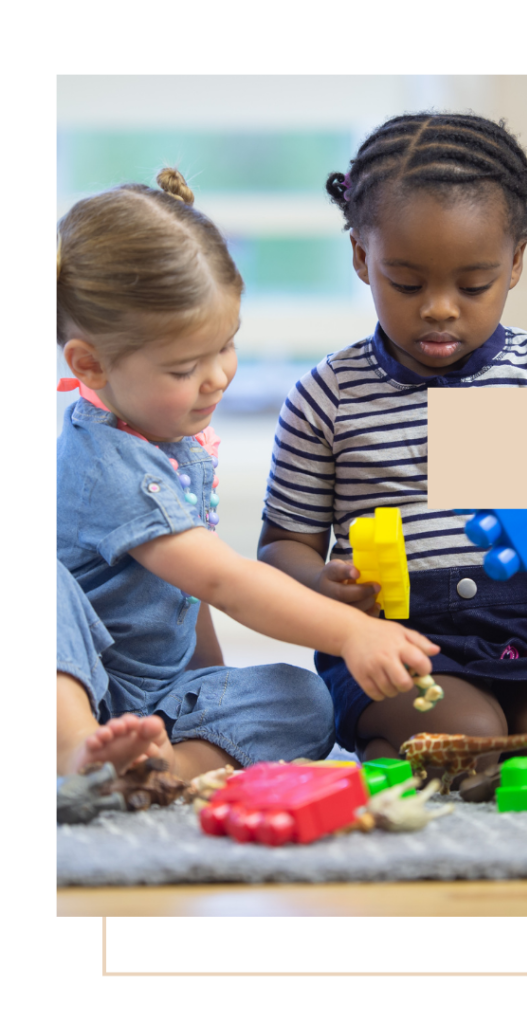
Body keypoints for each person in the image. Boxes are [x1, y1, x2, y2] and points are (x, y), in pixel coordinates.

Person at [258, 113, 527, 787]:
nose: (441, 309)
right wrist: (320, 584)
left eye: (473, 285)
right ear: (362, 258)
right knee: (467, 741)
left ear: (514, 262)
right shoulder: (325, 397)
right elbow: (282, 547)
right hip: (395, 647)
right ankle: (406, 737)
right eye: (408, 283)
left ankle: (518, 733)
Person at [56, 169, 438, 780]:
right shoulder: (106, 462)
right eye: (185, 367)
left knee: (307, 700)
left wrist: (212, 690)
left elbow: (191, 592)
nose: (218, 377)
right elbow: (227, 581)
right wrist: (350, 633)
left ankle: (167, 766)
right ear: (90, 365)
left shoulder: (171, 439)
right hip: (80, 685)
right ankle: (73, 753)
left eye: (226, 345)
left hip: (151, 699)